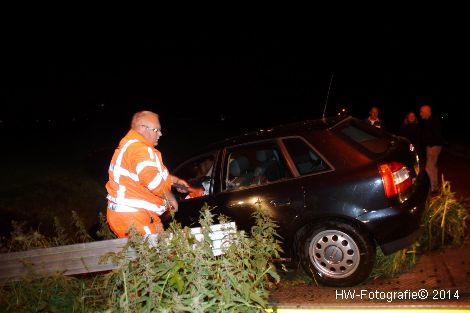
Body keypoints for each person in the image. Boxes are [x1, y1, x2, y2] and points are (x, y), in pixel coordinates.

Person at [105, 111, 189, 238]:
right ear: (143, 128)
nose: (160, 134)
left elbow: (147, 174)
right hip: (134, 216)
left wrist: (174, 181)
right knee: (156, 255)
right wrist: (170, 198)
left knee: (160, 250)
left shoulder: (131, 146)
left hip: (132, 215)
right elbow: (152, 180)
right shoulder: (140, 150)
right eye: (157, 130)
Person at [419, 104, 444, 195]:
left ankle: (433, 188)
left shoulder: (433, 120)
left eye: (422, 111)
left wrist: (430, 144)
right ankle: (435, 187)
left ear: (427, 112)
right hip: (432, 146)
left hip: (433, 147)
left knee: (428, 168)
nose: (420, 114)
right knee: (432, 167)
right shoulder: (428, 121)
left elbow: (436, 135)